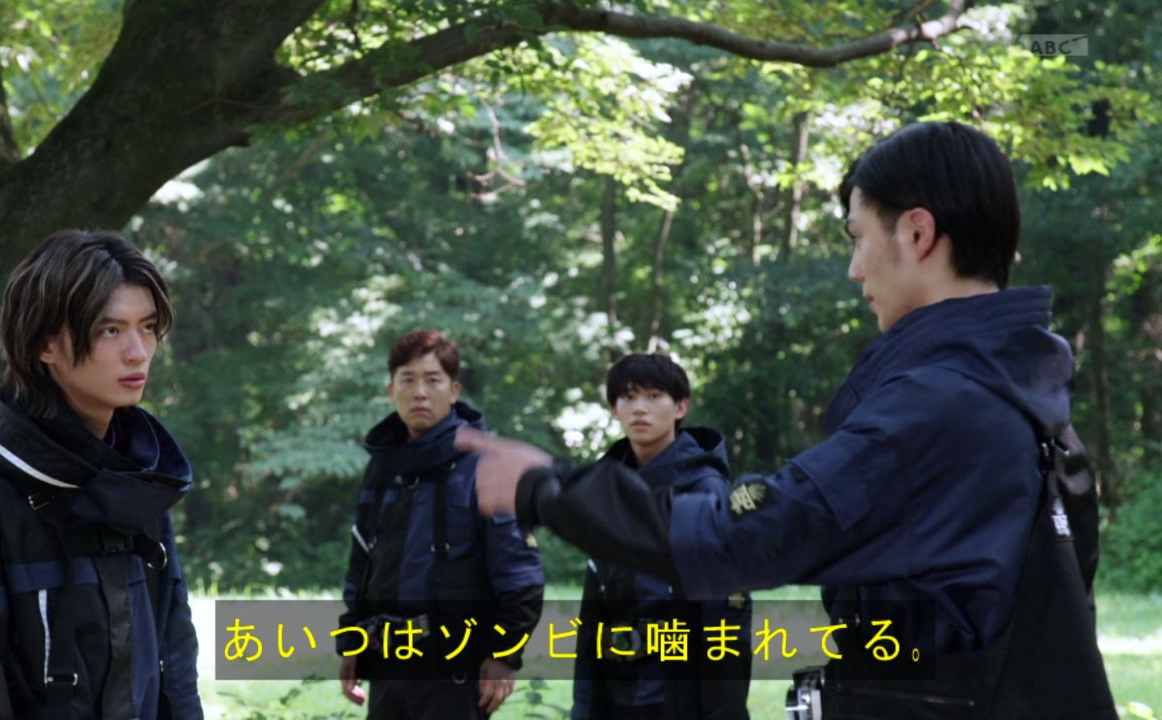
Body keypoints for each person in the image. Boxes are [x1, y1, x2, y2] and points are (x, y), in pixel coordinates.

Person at [460, 122, 1116, 719]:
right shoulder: (1027, 401)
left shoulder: (940, 407)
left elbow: (743, 536)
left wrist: (548, 488)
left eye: (858, 238)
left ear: (917, 233)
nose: (854, 270)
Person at [0, 230, 203, 719]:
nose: (138, 352)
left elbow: (175, 666)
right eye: (110, 330)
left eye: (149, 327)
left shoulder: (142, 482)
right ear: (45, 344)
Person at [337, 329, 544, 719]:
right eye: (408, 380)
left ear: (454, 391)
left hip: (455, 668)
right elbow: (362, 563)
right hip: (389, 662)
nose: (419, 393)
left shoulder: (484, 466)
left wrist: (504, 654)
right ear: (391, 390)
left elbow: (522, 579)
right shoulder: (383, 468)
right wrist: (352, 640)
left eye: (433, 380)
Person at [573, 353, 751, 720]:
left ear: (681, 406)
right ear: (614, 409)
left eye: (654, 396)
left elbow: (726, 620)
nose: (640, 408)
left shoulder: (704, 490)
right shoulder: (606, 493)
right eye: (628, 397)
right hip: (619, 690)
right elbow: (592, 615)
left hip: (680, 693)